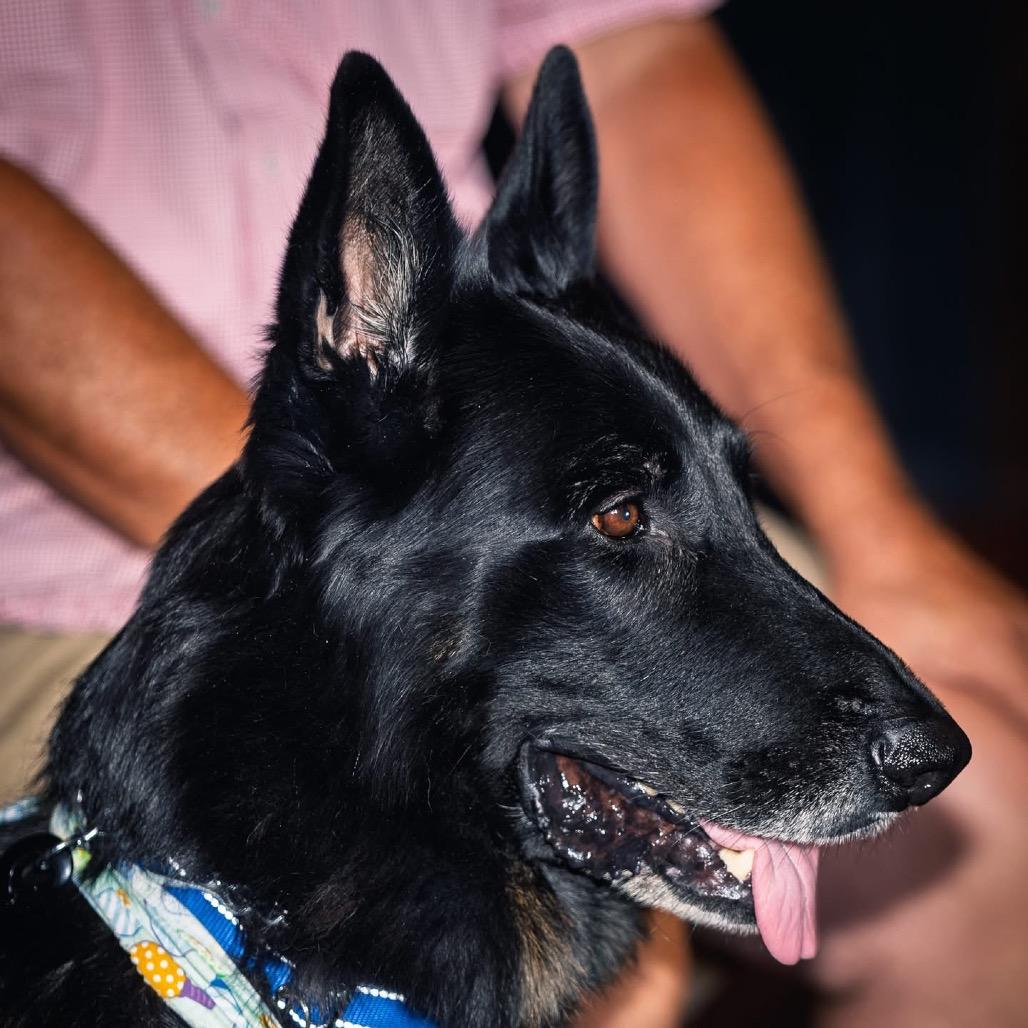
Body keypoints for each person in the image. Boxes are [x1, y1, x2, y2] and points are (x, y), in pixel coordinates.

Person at [1, 3, 1025, 1026]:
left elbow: (636, 50)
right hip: (101, 579)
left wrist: (885, 534)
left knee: (1001, 835)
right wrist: (347, 524)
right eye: (622, 520)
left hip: (484, 424)